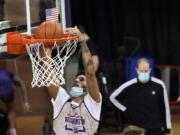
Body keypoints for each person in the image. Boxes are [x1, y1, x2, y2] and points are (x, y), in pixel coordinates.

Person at [43, 26, 102, 135]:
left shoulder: (92, 104)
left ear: (89, 89)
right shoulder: (62, 99)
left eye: (82, 80)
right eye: (78, 78)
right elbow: (49, 76)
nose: (78, 80)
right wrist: (46, 47)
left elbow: (90, 73)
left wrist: (82, 42)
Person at [110, 58, 172, 135]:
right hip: (136, 129)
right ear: (136, 70)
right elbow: (112, 97)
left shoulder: (159, 85)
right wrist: (125, 109)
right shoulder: (128, 85)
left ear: (150, 70)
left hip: (156, 128)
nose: (144, 73)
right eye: (141, 71)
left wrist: (167, 129)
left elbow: (165, 108)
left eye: (146, 71)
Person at [0, 70, 30, 135]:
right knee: (10, 109)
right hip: (7, 88)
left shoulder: (6, 73)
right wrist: (25, 102)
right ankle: (13, 131)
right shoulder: (8, 75)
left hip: (7, 86)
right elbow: (22, 83)